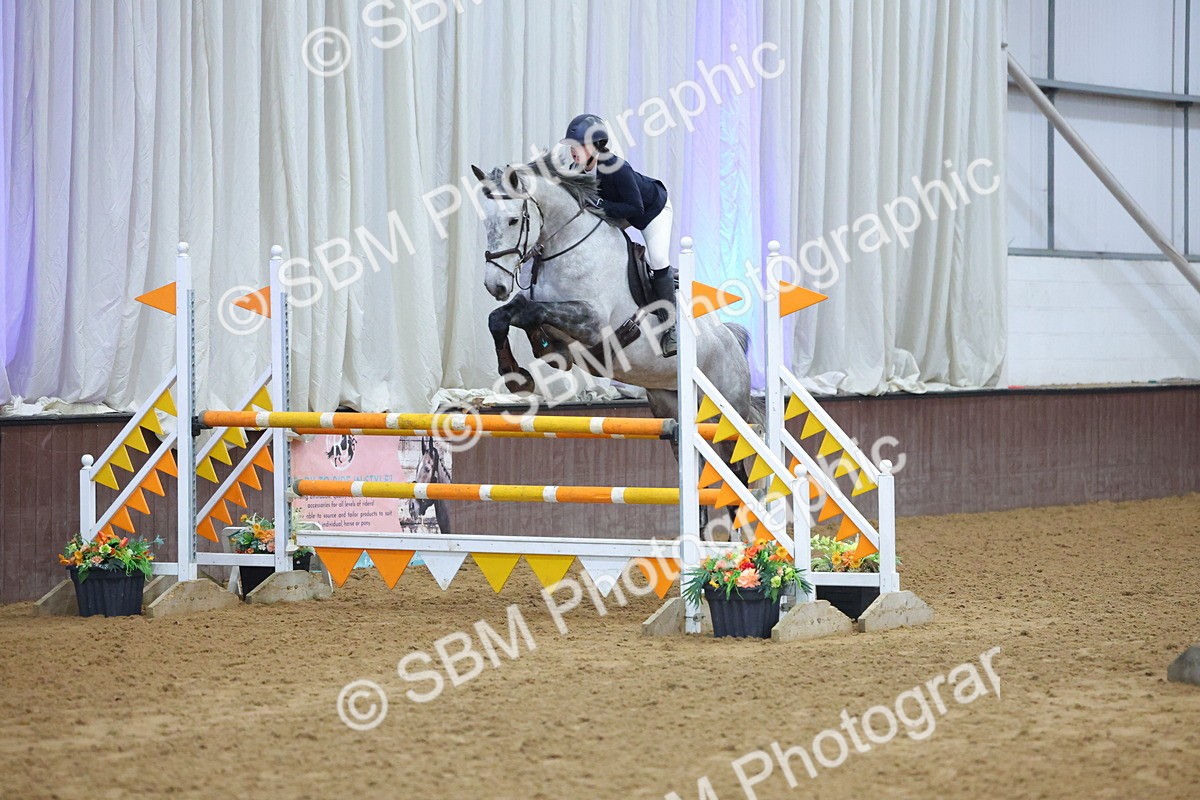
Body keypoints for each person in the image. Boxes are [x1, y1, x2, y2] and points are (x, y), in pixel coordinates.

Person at [560, 113, 676, 357]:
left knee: (657, 259)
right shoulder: (576, 170)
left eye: (578, 146)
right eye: (572, 147)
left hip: (652, 211)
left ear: (596, 146)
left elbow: (636, 209)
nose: (573, 152)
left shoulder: (617, 168)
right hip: (618, 211)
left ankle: (670, 329)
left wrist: (599, 203)